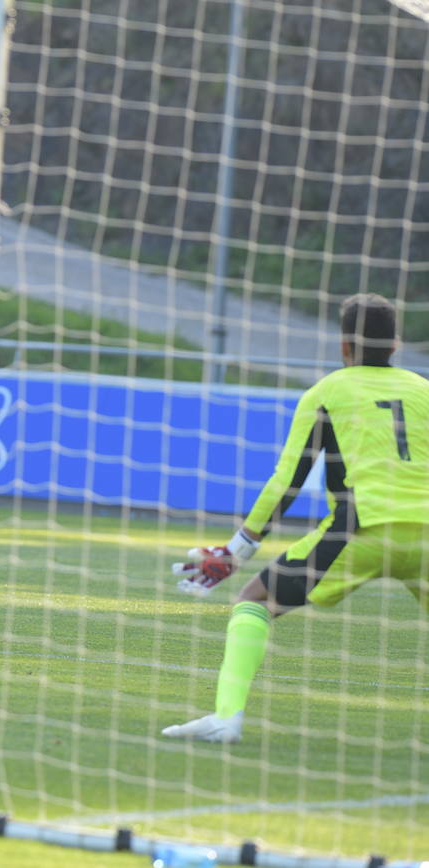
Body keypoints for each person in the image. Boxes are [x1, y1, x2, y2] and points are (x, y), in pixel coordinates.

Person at [163, 292, 429, 742]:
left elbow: (288, 479)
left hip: (360, 530)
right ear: (396, 344)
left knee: (254, 600)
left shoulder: (327, 392)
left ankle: (226, 718)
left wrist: (237, 549)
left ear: (344, 345)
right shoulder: (424, 390)